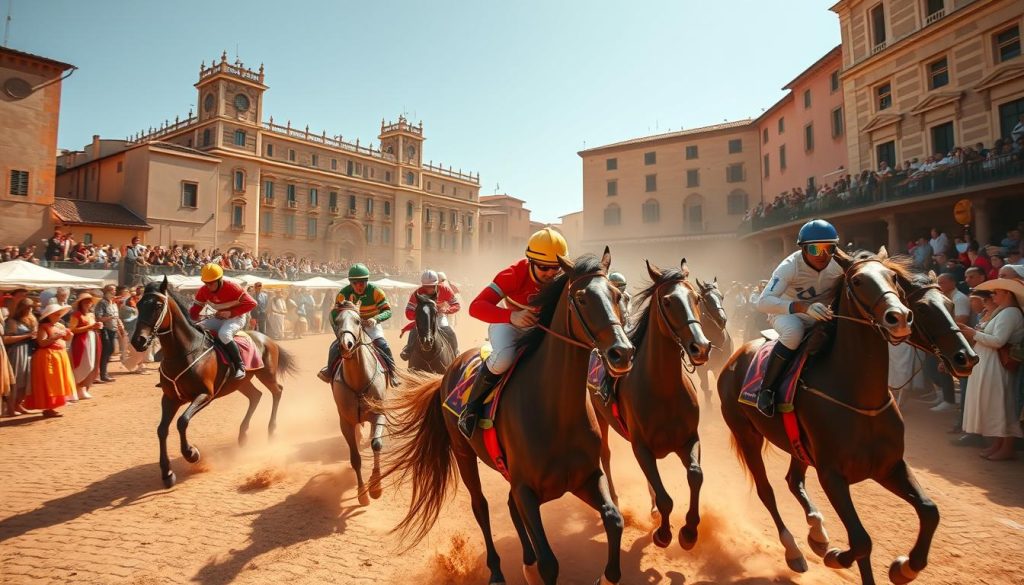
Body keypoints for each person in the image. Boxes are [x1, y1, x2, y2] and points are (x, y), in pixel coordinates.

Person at [458, 227, 568, 438]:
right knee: (504, 359)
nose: (551, 274)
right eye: (544, 267)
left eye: (557, 268)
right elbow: (475, 307)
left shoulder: (561, 278)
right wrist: (512, 317)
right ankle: (470, 409)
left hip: (542, 329)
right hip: (508, 325)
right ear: (531, 262)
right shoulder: (513, 275)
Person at [754, 219, 844, 417]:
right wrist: (802, 307)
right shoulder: (789, 266)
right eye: (814, 249)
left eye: (829, 248)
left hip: (823, 314)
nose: (822, 255)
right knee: (794, 333)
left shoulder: (839, 264)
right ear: (803, 249)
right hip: (787, 313)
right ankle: (766, 390)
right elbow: (763, 302)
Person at [959, 278, 1024, 461]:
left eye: (997, 292)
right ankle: (998, 444)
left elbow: (998, 341)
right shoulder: (1002, 312)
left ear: (1007, 294)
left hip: (997, 365)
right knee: (995, 404)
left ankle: (1007, 447)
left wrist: (973, 333)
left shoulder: (1011, 313)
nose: (993, 295)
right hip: (989, 362)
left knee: (1002, 405)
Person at [318, 263, 398, 386]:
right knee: (334, 347)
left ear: (367, 281)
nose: (358, 286)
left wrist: (376, 319)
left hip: (371, 325)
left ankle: (393, 373)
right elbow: (334, 314)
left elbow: (388, 311)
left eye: (362, 283)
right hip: (351, 326)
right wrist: (339, 332)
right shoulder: (343, 294)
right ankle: (329, 371)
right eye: (354, 283)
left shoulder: (376, 292)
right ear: (350, 282)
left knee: (383, 345)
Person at [188, 263, 257, 380]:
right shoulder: (203, 290)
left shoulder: (233, 287)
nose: (208, 286)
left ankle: (239, 365)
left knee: (224, 334)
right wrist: (189, 320)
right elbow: (195, 310)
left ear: (219, 280)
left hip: (236, 317)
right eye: (206, 283)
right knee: (195, 328)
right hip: (218, 318)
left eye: (211, 283)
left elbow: (252, 303)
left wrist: (230, 313)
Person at [400, 269, 461, 361]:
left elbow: (456, 305)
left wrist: (447, 310)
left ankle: (455, 353)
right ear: (422, 285)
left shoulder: (445, 289)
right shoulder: (417, 293)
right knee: (414, 330)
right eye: (426, 286)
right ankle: (408, 349)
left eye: (432, 286)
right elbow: (408, 310)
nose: (429, 289)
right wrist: (419, 316)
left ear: (437, 284)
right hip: (424, 318)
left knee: (450, 330)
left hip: (439, 316)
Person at [27, 303, 75, 417]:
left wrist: (69, 334)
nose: (59, 317)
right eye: (56, 315)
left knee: (58, 382)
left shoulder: (59, 325)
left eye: (59, 314)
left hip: (59, 355)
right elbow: (42, 343)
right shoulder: (43, 327)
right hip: (47, 356)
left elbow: (67, 338)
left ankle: (52, 406)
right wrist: (56, 337)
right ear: (50, 315)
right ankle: (48, 407)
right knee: (49, 382)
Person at [4, 298, 37, 416]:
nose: (29, 309)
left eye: (31, 307)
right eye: (27, 307)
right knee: (16, 379)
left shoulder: (32, 319)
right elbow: (6, 339)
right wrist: (27, 335)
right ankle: (10, 407)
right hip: (17, 351)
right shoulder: (13, 321)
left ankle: (19, 403)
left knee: (27, 379)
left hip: (28, 350)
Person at [69, 292, 103, 400]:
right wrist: (90, 327)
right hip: (81, 341)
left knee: (92, 363)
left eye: (90, 301)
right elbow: (73, 329)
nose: (88, 303)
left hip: (92, 339)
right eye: (86, 301)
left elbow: (93, 327)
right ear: (80, 303)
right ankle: (79, 388)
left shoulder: (91, 315)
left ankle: (84, 388)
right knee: (84, 363)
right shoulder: (76, 315)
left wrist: (97, 326)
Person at [94, 285, 121, 383]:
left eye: (115, 290)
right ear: (106, 291)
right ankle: (103, 374)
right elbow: (98, 317)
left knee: (110, 350)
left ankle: (104, 372)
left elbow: (117, 317)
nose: (114, 292)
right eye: (112, 290)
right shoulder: (102, 303)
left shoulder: (113, 303)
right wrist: (110, 318)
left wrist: (119, 325)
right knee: (106, 351)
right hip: (104, 329)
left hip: (112, 329)